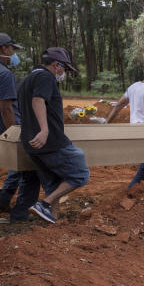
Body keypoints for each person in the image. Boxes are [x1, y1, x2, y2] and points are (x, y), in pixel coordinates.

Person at [17, 48, 90, 224]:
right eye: (64, 69)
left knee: (52, 182)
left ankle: (53, 217)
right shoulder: (45, 77)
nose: (64, 73)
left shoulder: (26, 80)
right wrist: (44, 130)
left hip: (30, 142)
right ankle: (45, 204)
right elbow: (38, 100)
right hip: (50, 142)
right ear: (57, 65)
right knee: (80, 173)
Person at [0, 33, 39, 223]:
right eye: (12, 49)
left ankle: (4, 197)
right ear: (4, 49)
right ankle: (20, 211)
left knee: (17, 164)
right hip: (5, 128)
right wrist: (13, 134)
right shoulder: (4, 74)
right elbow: (6, 108)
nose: (13, 53)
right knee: (29, 166)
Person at [107, 64, 144, 194]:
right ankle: (130, 191)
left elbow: (118, 106)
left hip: (135, 129)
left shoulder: (133, 87)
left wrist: (106, 123)